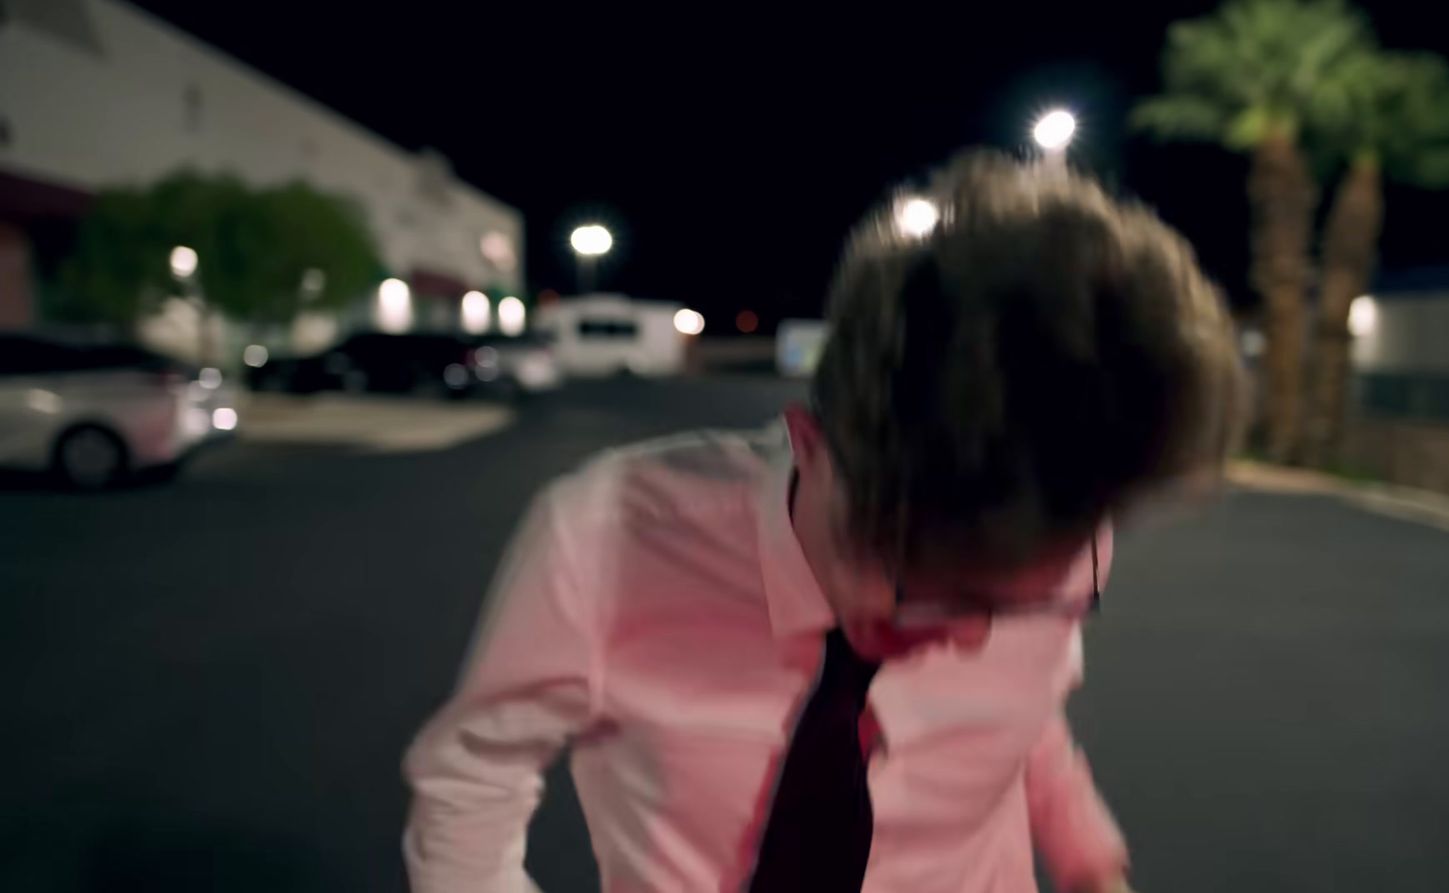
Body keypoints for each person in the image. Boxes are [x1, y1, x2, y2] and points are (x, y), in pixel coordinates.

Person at [403, 150, 1244, 893]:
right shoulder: (606, 536)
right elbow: (472, 777)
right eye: (918, 585)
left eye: (1013, 603)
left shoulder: (1053, 524)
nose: (961, 641)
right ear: (814, 447)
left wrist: (1093, 861)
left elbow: (1022, 714)